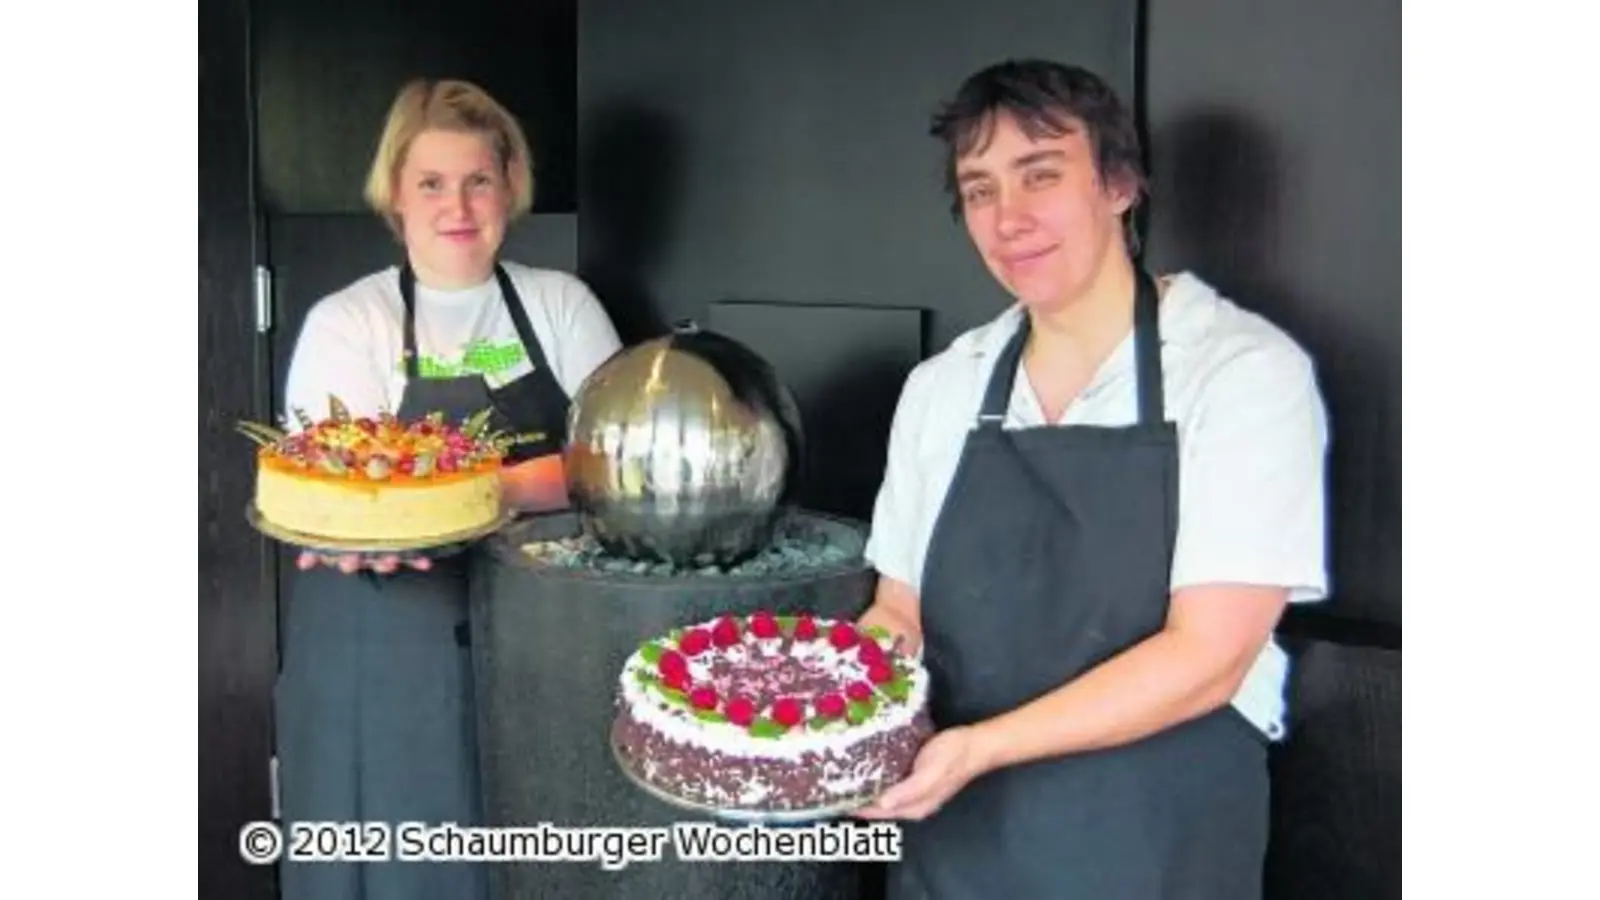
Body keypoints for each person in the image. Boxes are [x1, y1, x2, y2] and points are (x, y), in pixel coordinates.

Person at [852, 60, 1330, 900]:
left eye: (1041, 175)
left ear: (1118, 184)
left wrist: (983, 746)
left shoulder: (1239, 373)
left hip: (1153, 837)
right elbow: (901, 609)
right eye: (979, 189)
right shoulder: (945, 387)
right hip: (956, 836)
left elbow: (1210, 657)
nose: (1010, 219)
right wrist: (840, 715)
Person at [273, 78, 622, 900]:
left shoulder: (560, 303)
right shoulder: (346, 323)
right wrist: (524, 484)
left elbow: (614, 463)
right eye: (431, 182)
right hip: (385, 640)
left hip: (542, 631)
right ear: (395, 196)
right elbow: (341, 497)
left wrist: (466, 492)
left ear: (509, 189)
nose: (456, 206)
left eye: (478, 180)